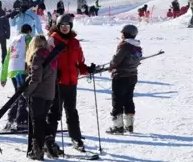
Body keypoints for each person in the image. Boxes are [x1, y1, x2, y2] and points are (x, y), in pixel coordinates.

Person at [45, 14, 96, 157]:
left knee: (72, 112)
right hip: (57, 83)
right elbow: (46, 61)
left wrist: (88, 69)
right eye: (63, 26)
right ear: (58, 26)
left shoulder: (75, 43)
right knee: (54, 113)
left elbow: (80, 63)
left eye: (68, 26)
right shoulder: (52, 40)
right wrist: (54, 73)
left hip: (71, 83)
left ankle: (76, 138)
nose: (65, 28)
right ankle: (50, 140)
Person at [24, 35, 57, 160]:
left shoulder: (37, 56)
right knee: (42, 120)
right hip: (50, 94)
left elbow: (36, 78)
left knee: (37, 122)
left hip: (39, 94)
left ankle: (37, 150)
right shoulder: (51, 55)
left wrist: (27, 91)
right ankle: (49, 139)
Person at [106, 25, 142, 134]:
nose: (121, 35)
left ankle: (118, 127)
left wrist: (111, 66)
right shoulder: (137, 47)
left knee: (117, 100)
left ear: (126, 34)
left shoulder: (124, 45)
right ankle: (129, 126)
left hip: (121, 76)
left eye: (122, 33)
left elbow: (116, 59)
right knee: (128, 99)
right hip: (132, 76)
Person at [0, 24, 32, 131]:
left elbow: (6, 59)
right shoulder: (28, 39)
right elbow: (31, 53)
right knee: (24, 95)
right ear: (29, 31)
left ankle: (11, 118)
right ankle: (21, 121)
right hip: (22, 70)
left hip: (12, 70)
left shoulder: (14, 41)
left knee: (18, 95)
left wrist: (3, 76)